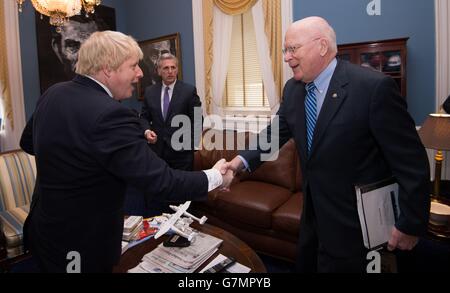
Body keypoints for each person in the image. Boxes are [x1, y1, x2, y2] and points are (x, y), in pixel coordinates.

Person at [224, 16, 430, 272]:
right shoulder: (293, 90)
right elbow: (275, 134)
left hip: (357, 227)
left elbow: (411, 162)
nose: (286, 57)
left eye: (292, 49)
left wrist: (411, 223)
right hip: (312, 217)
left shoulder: (373, 88)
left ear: (322, 46)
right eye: (284, 50)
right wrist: (239, 162)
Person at [20, 30, 232, 273]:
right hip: (80, 243)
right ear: (109, 68)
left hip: (44, 229)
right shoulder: (110, 114)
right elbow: (163, 181)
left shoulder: (52, 93)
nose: (140, 73)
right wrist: (216, 176)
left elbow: (28, 143)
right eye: (133, 66)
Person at [125, 53, 202, 216]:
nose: (170, 71)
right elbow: (144, 117)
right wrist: (146, 131)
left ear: (177, 69)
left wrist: (190, 143)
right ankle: (158, 221)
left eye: (173, 67)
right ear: (159, 71)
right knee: (158, 190)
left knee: (181, 192)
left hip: (181, 153)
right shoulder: (150, 91)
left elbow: (197, 118)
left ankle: (183, 222)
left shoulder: (188, 91)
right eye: (166, 68)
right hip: (157, 151)